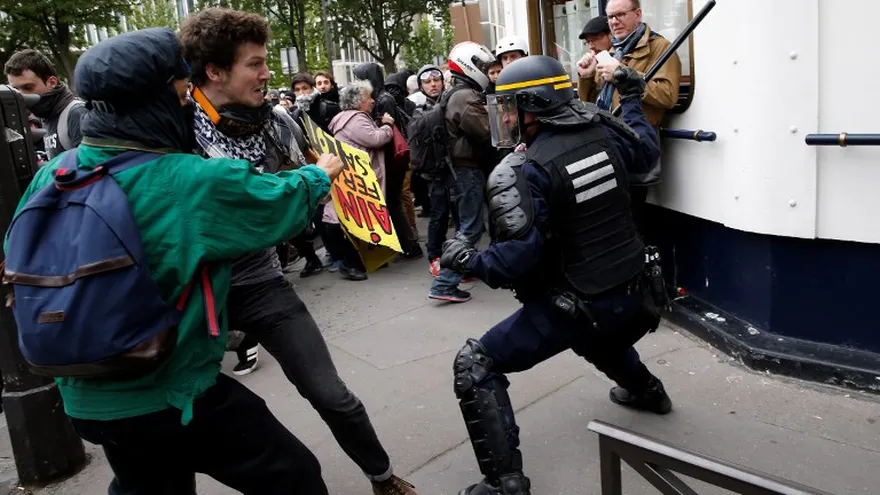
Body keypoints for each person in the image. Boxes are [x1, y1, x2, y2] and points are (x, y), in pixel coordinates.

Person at [4, 27, 342, 494]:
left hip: (85, 396)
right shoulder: (183, 181)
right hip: (170, 391)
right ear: (158, 99)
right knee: (293, 475)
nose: (189, 104)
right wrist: (320, 172)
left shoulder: (53, 172)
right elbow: (277, 203)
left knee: (152, 482)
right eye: (184, 92)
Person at [178, 9, 419, 494]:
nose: (268, 74)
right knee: (174, 411)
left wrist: (329, 190)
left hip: (261, 281)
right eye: (255, 64)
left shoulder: (278, 120)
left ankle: (382, 476)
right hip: (194, 290)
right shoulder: (176, 130)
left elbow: (301, 193)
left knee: (333, 395)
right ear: (214, 71)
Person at [439, 55, 672, 495]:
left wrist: (467, 259)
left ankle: (505, 484)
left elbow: (514, 262)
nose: (506, 117)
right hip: (635, 291)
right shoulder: (606, 130)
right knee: (593, 335)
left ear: (536, 104)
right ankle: (648, 391)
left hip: (583, 304)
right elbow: (646, 154)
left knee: (475, 364)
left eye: (512, 107)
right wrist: (635, 97)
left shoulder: (529, 168)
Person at [576, 0, 682, 228]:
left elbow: (669, 95)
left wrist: (624, 74)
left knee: (631, 219)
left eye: (621, 14)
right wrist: (586, 76)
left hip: (635, 143)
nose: (614, 21)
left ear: (638, 14)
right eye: (610, 17)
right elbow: (594, 100)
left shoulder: (660, 48)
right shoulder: (611, 51)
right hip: (604, 144)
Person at [428, 42, 495, 303]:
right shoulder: (464, 96)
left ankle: (461, 268)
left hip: (460, 169)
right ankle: (445, 282)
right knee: (470, 227)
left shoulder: (457, 92)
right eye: (481, 66)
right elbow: (486, 132)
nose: (485, 72)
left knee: (468, 224)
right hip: (467, 170)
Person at [4, 49, 87, 159]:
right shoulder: (44, 115)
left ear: (52, 82)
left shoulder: (76, 113)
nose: (22, 95)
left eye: (28, 87)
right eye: (16, 90)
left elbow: (91, 168)